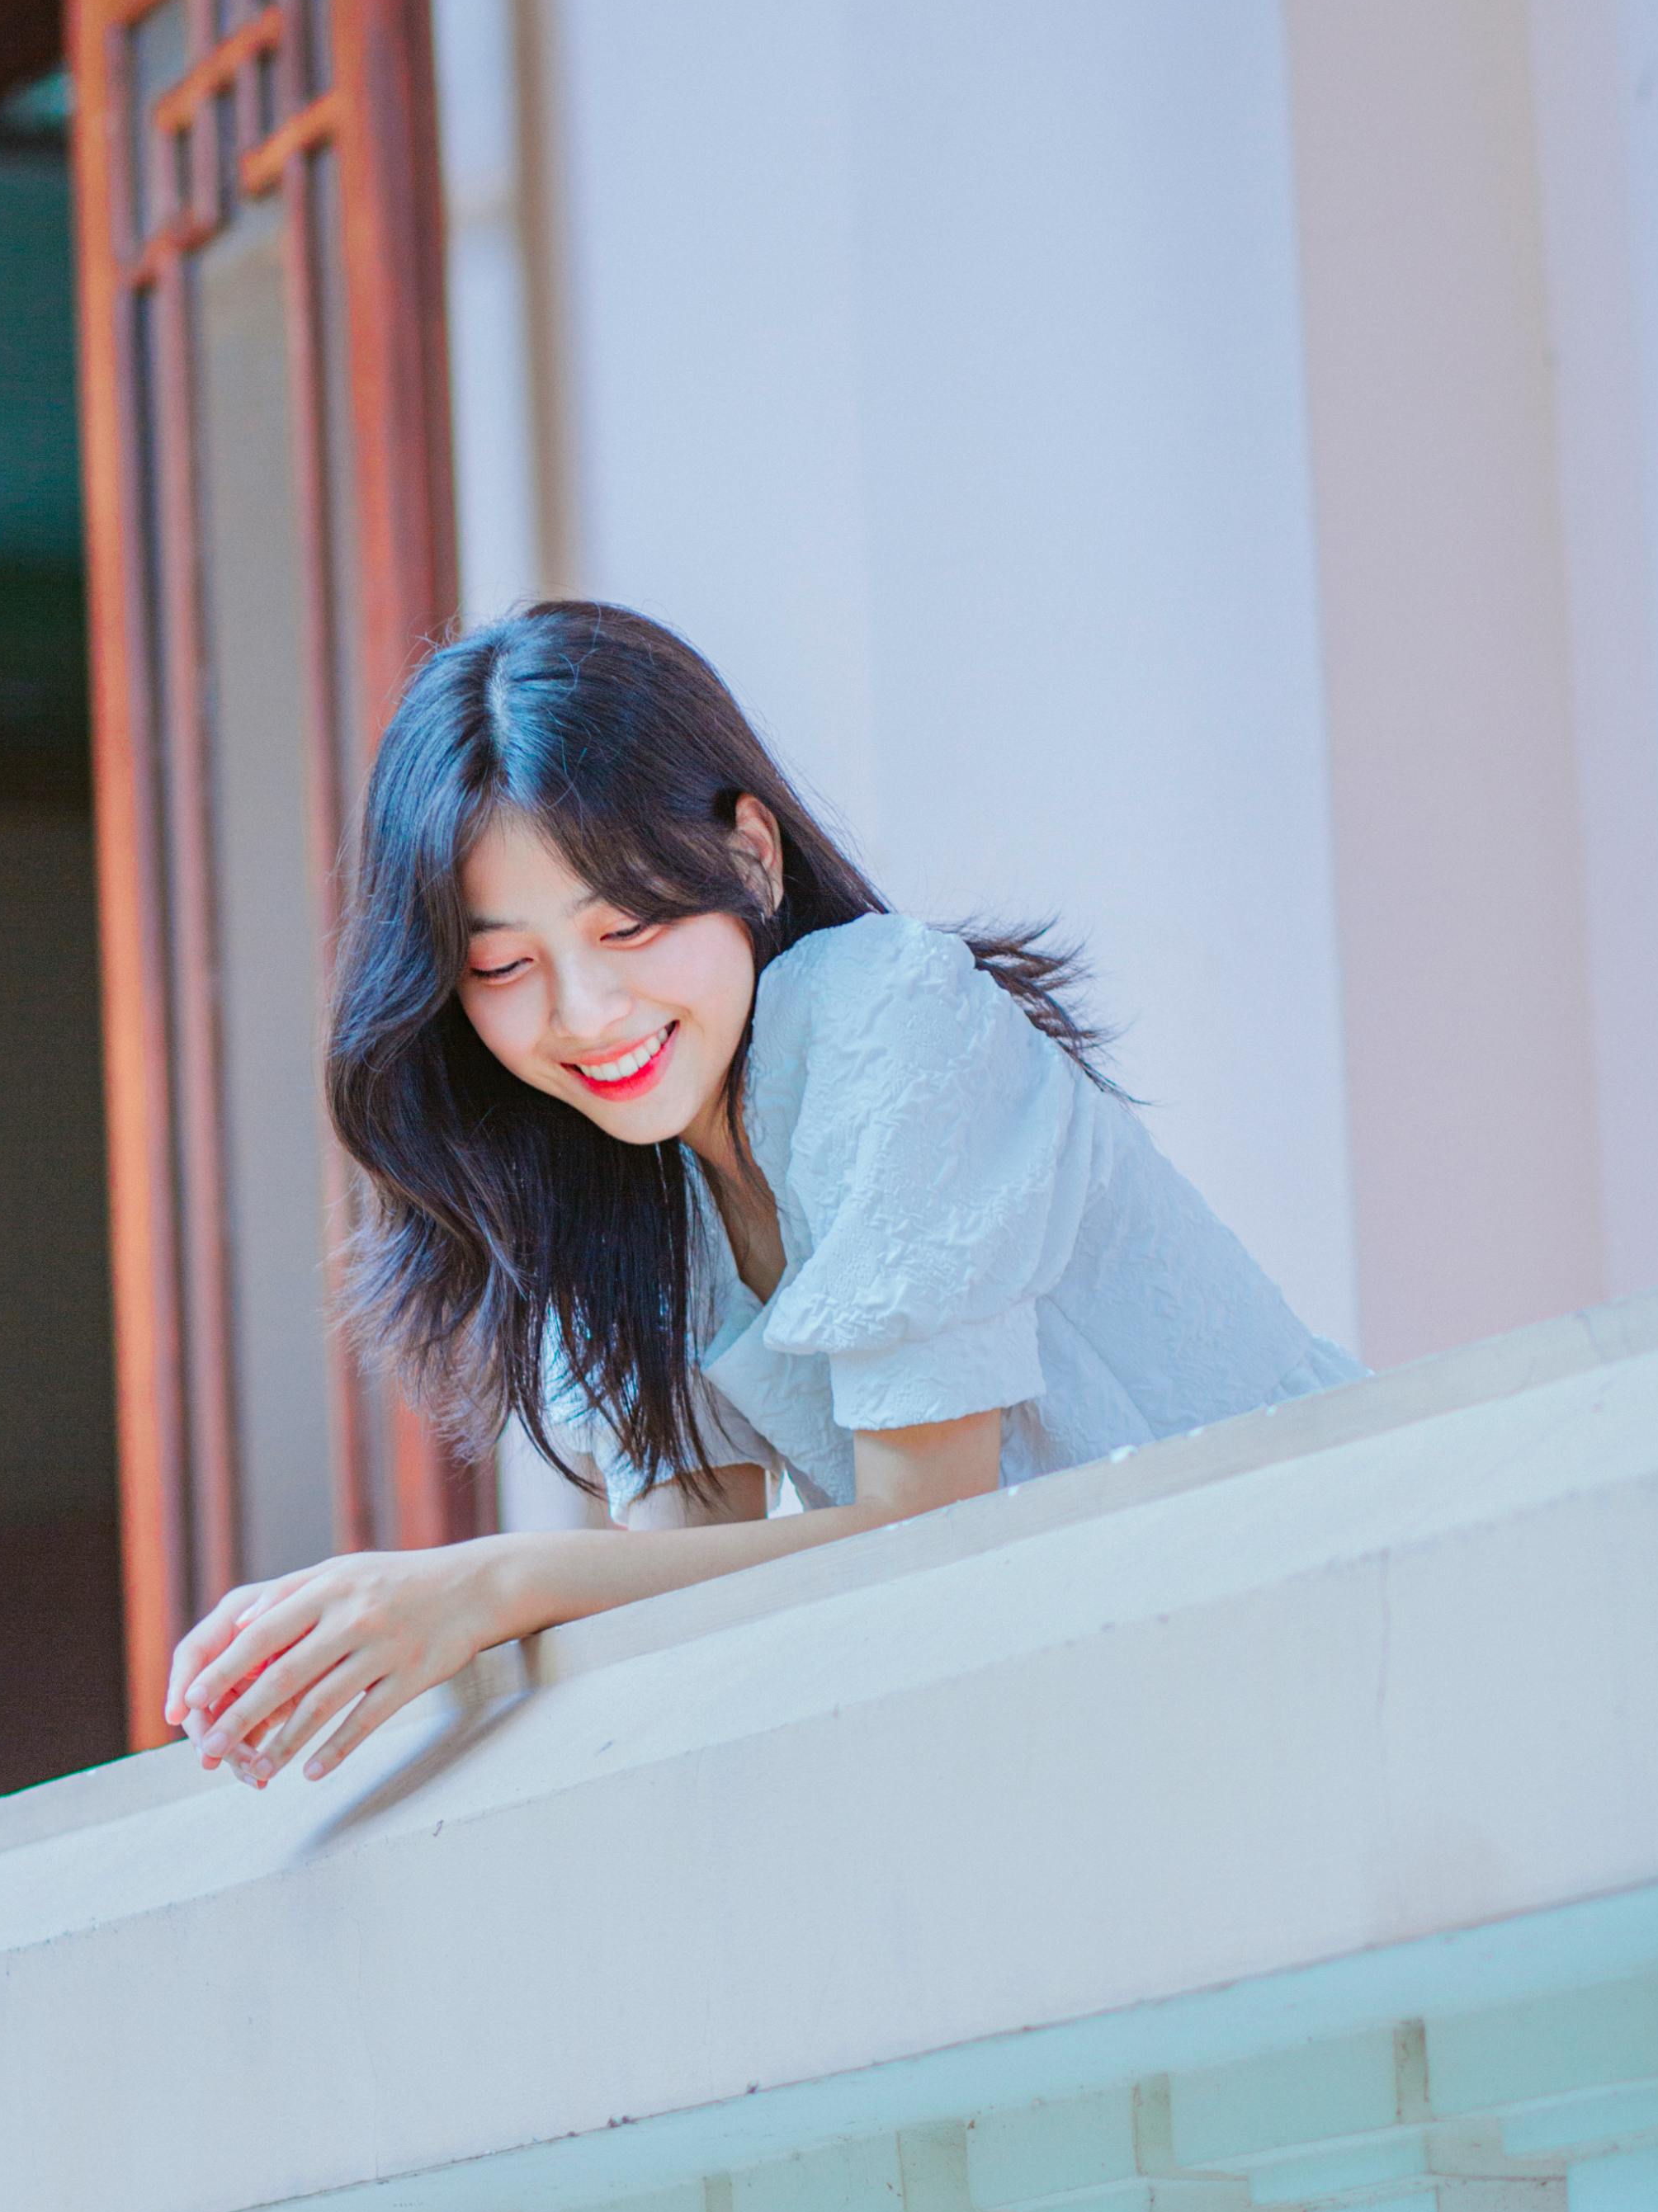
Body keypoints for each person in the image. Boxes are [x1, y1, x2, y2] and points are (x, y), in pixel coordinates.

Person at [167, 601, 1360, 1786]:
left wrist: (485, 1586)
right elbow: (697, 1585)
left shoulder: (885, 1013)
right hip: (1113, 1701)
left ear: (748, 852)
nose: (586, 1013)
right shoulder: (611, 1188)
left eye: (627, 923)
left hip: (1334, 1584)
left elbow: (925, 1533)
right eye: (504, 965)